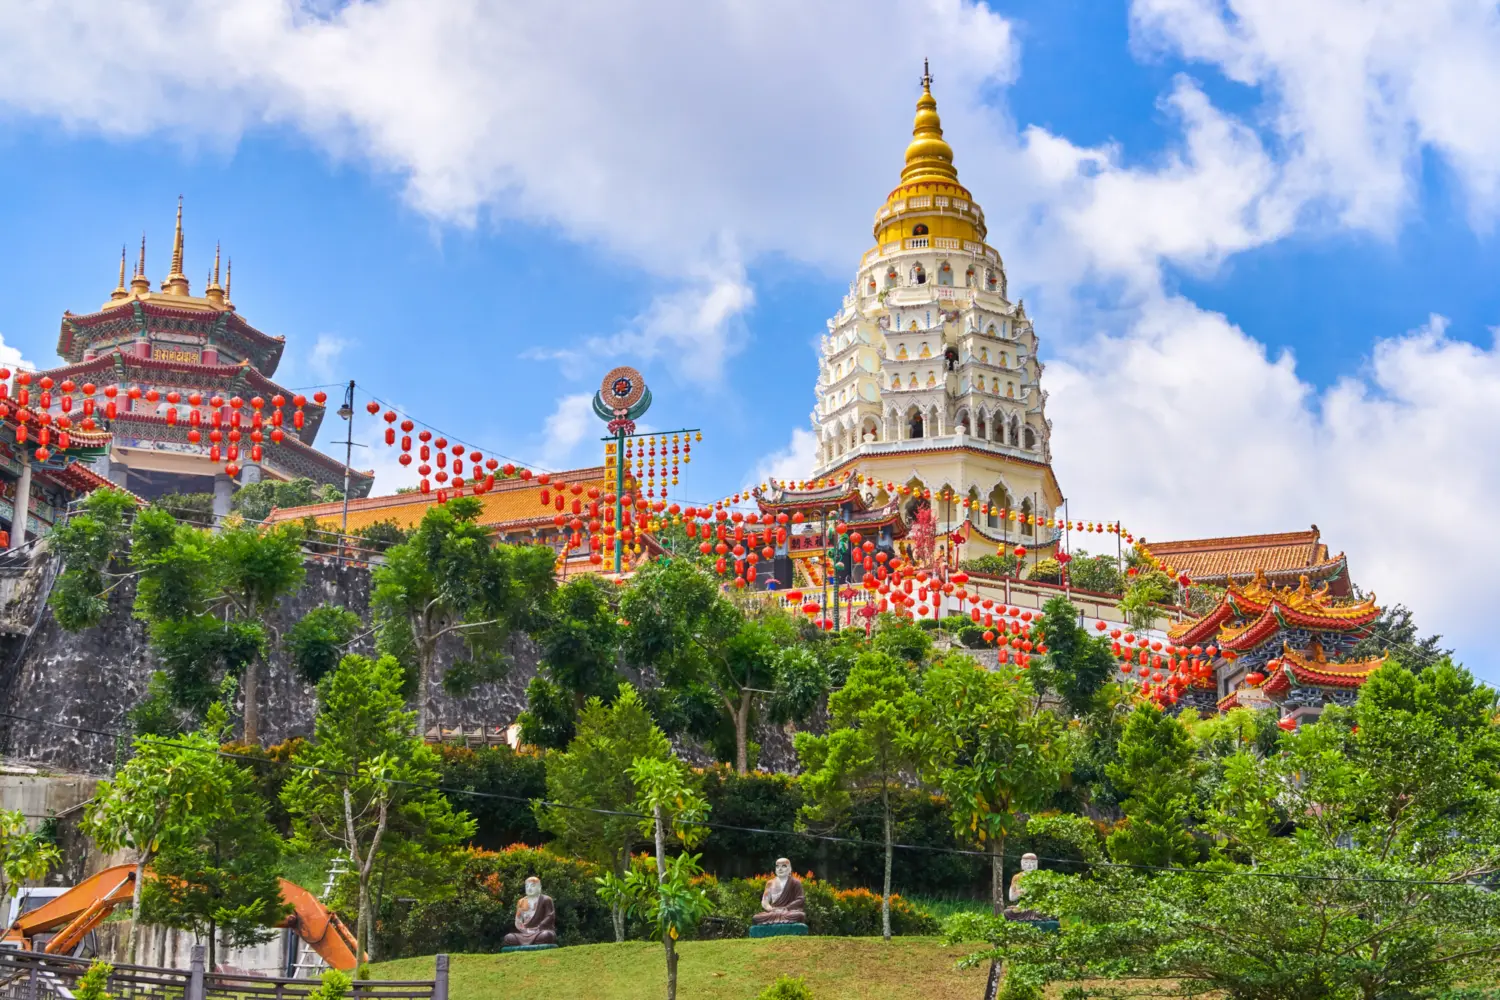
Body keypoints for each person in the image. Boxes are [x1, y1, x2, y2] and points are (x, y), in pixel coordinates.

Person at [502, 877, 558, 946]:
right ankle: (526, 941)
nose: (529, 888)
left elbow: (550, 916)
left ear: (539, 887)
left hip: (540, 931)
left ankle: (537, 939)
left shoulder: (546, 899)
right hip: (525, 933)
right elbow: (518, 920)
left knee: (547, 935)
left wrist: (539, 927)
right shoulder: (521, 902)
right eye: (527, 886)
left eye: (533, 886)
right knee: (508, 937)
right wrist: (524, 930)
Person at [752, 858, 807, 925]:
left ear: (790, 869)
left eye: (784, 866)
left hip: (788, 912)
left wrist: (786, 908)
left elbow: (800, 899)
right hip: (774, 912)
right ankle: (778, 919)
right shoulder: (770, 883)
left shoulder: (795, 882)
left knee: (799, 915)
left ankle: (778, 920)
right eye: (777, 866)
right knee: (756, 917)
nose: (780, 869)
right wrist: (771, 909)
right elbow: (764, 901)